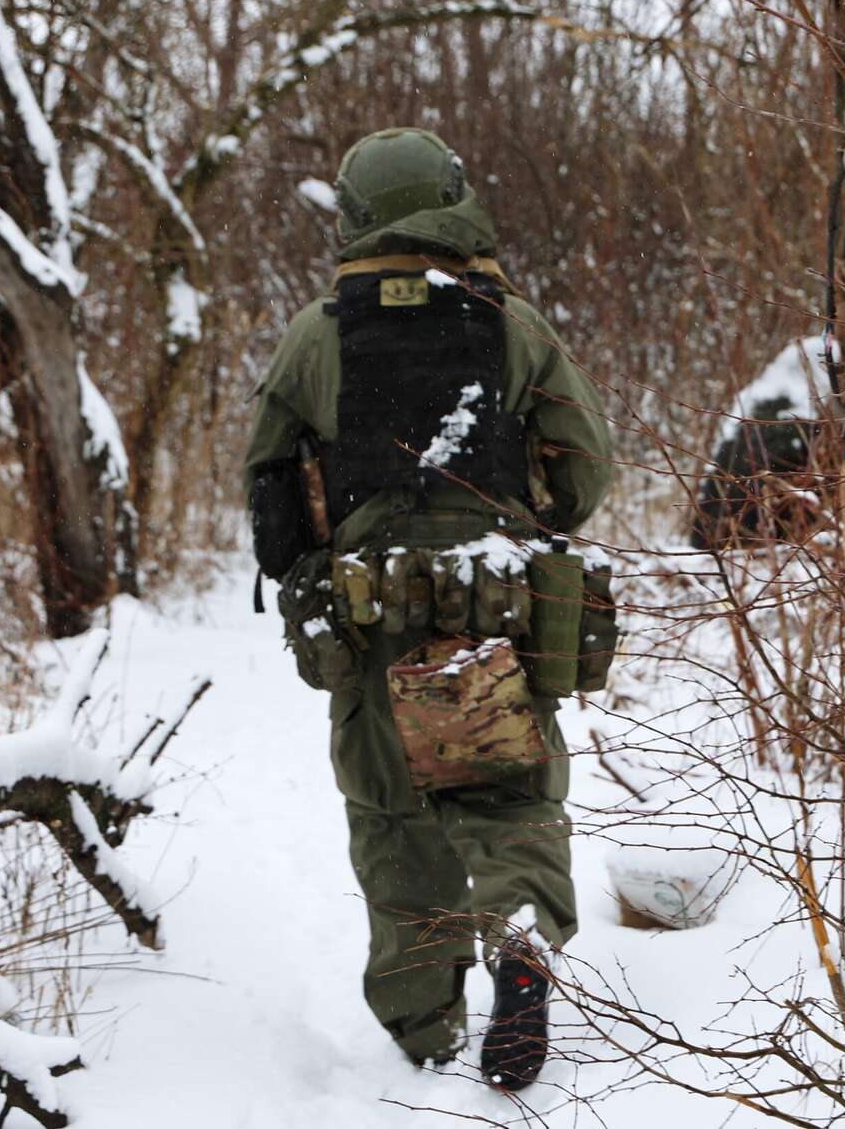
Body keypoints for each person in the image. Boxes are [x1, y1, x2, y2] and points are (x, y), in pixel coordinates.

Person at [243, 127, 612, 1089]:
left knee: (392, 809)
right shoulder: (509, 321)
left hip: (368, 606)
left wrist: (306, 564)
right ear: (453, 201)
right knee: (507, 790)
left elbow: (269, 477)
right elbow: (587, 467)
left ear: (360, 217)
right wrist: (529, 512)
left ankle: (424, 1032)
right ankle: (520, 938)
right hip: (493, 593)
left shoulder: (317, 331)